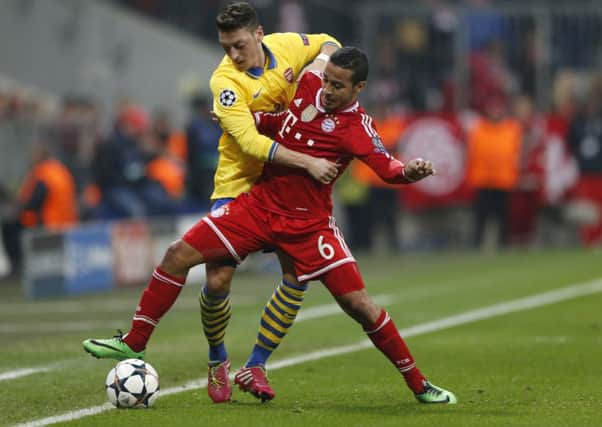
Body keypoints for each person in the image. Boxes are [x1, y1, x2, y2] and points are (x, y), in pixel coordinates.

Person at [83, 46, 456, 405]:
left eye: (338, 86)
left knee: (360, 305)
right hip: (260, 206)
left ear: (359, 88)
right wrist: (249, 120)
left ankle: (419, 385)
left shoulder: (357, 127)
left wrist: (409, 171)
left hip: (310, 224)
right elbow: (280, 120)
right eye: (326, 80)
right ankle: (137, 339)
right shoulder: (307, 86)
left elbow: (387, 167)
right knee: (178, 255)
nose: (326, 90)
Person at [86, 1, 341, 404]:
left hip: (287, 187)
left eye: (239, 45)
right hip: (239, 184)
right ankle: (217, 357)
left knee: (296, 274)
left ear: (259, 35)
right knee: (218, 279)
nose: (233, 55)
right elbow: (251, 144)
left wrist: (319, 64)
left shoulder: (290, 46)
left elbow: (329, 41)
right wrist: (309, 159)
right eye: (226, 47)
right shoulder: (225, 82)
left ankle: (256, 364)